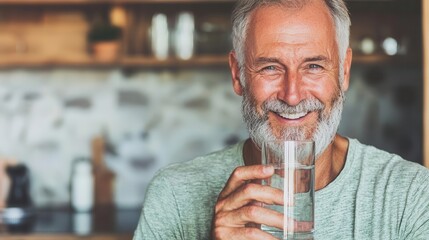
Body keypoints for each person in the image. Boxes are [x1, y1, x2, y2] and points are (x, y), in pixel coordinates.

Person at [133, 0, 429, 239]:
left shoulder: (410, 195)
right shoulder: (174, 194)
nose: (292, 95)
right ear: (238, 75)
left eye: (313, 66)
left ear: (344, 71)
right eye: (271, 67)